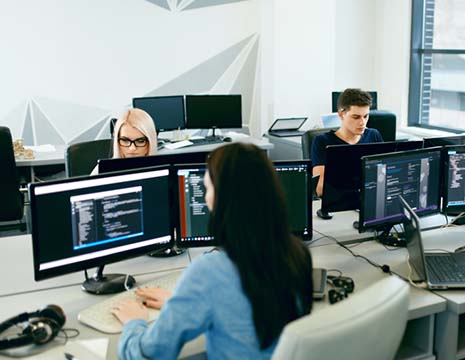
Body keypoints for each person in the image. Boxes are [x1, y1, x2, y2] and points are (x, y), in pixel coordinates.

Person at [111, 143, 313, 359]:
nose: (206, 197)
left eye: (208, 188)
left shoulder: (210, 271)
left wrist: (134, 322)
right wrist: (180, 303)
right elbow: (239, 306)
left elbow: (147, 355)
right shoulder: (297, 252)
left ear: (223, 199)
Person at [311, 88, 383, 196]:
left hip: (369, 199)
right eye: (356, 117)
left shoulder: (374, 135)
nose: (362, 122)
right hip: (340, 202)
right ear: (341, 115)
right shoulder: (323, 142)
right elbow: (320, 189)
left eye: (365, 116)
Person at [90, 108, 158, 175]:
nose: (132, 148)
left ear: (150, 142)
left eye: (140, 141)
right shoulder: (101, 171)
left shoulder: (162, 169)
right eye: (125, 140)